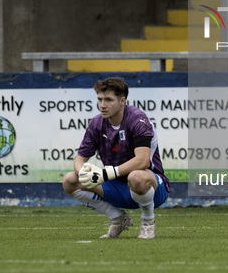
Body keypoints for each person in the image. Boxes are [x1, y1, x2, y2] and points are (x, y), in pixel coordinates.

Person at [62, 77, 170, 239]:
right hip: (116, 187)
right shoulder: (96, 123)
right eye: (99, 99)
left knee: (137, 175)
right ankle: (118, 218)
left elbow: (143, 161)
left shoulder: (138, 120)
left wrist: (105, 174)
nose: (102, 105)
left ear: (122, 101)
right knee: (70, 179)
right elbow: (80, 159)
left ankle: (148, 221)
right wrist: (84, 172)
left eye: (108, 100)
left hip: (152, 188)